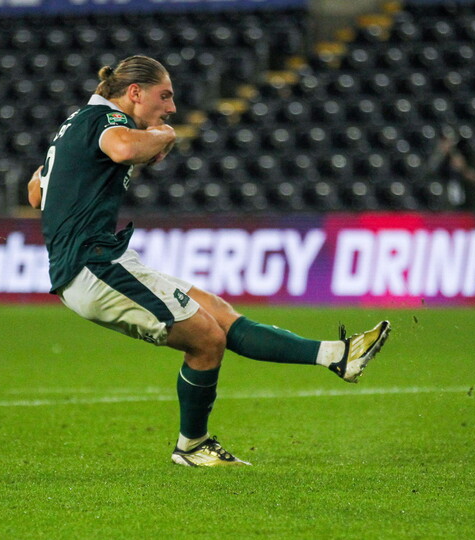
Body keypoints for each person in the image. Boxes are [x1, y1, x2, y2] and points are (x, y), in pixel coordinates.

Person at [26, 55, 390, 467]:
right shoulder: (108, 120)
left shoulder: (75, 125)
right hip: (93, 267)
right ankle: (192, 445)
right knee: (207, 340)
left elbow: (35, 192)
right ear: (135, 93)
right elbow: (123, 148)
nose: (171, 108)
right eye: (164, 96)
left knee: (218, 313)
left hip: (102, 260)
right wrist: (162, 136)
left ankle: (338, 355)